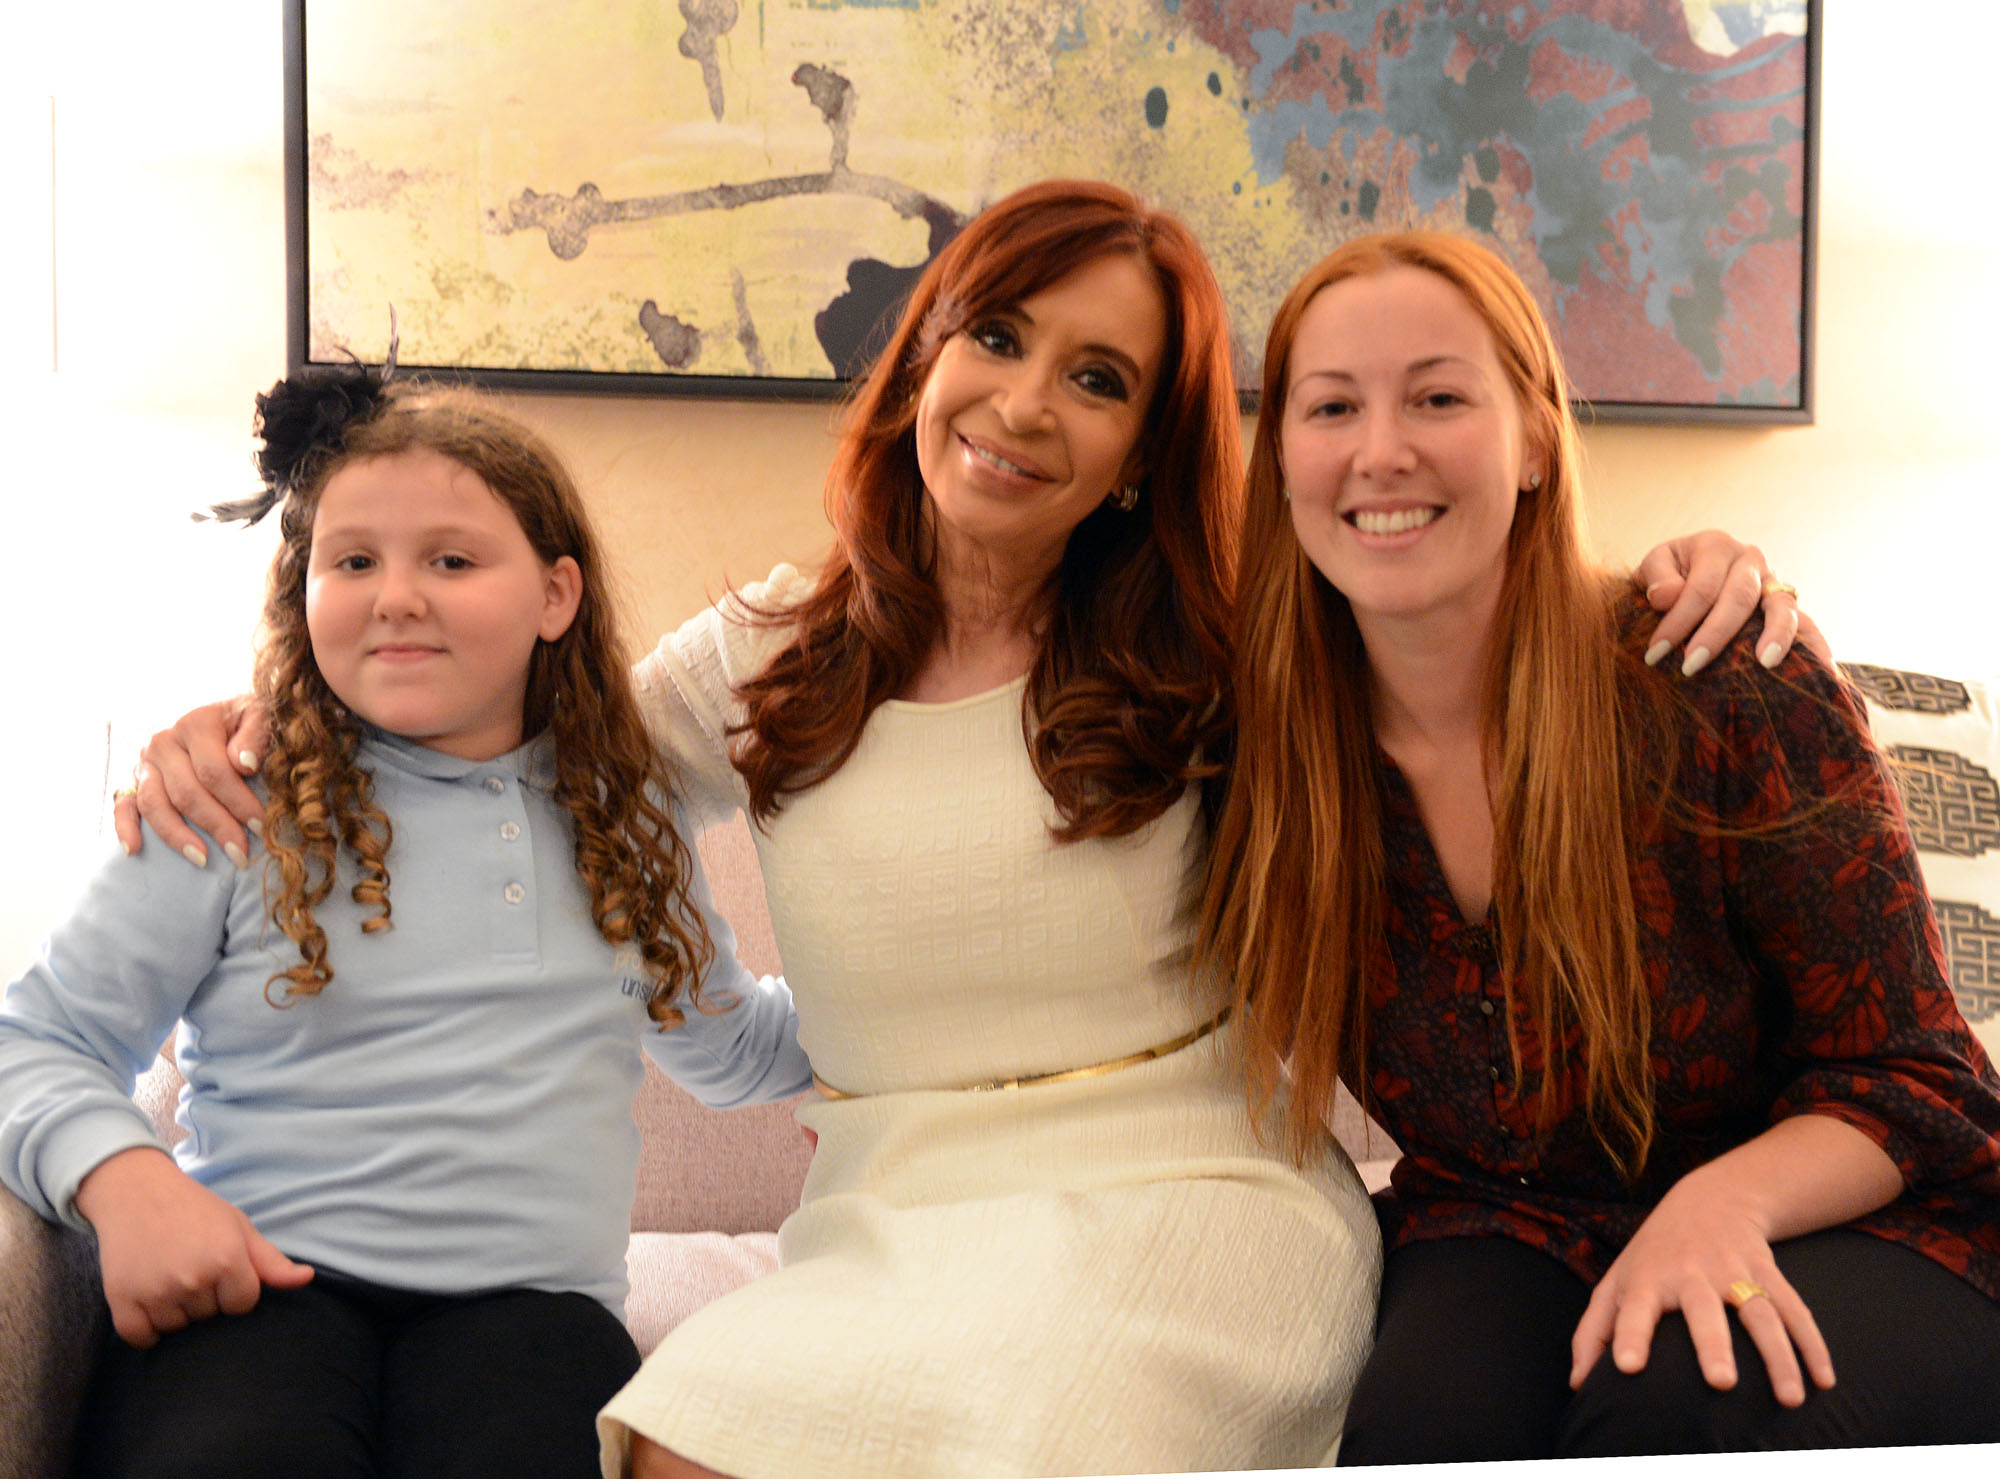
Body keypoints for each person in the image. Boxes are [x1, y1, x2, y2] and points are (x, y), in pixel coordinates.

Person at [118, 182, 1811, 1477]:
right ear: (924, 350)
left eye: (1099, 378)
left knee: (1019, 1435)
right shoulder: (762, 660)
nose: (1023, 401)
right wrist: (249, 727)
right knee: (672, 1446)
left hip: (1195, 1199)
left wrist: (1683, 569)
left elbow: (1465, 628)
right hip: (895, 1211)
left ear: (1141, 453)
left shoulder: (1226, 657)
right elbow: (492, 756)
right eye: (995, 336)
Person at [1202, 229, 2000, 1461]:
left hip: (1858, 1216)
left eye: (1437, 398)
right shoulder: (1260, 750)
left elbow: (1918, 1080)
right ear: (1282, 460)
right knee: (1418, 1439)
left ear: (1532, 439)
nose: (1380, 450)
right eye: (1330, 407)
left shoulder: (1718, 680)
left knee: (1677, 1404)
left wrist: (1716, 1205)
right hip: (1506, 1223)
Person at [0, 371, 810, 1479]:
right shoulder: (232, 799)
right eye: (352, 562)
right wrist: (125, 1180)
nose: (394, 597)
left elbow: (732, 1050)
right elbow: (37, 1041)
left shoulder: (625, 816)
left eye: (451, 561)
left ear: (556, 595)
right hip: (259, 1286)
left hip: (532, 1311)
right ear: (302, 589)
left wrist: (929, 1018)